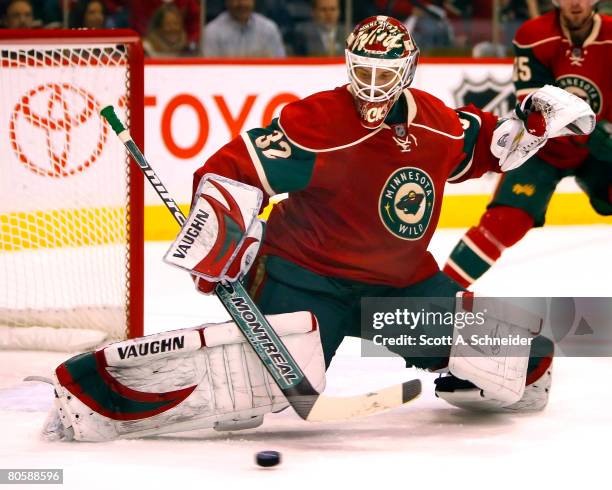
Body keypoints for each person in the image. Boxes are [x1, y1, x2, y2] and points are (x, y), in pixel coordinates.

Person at [43, 16, 594, 441]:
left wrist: (534, 124)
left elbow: (488, 147)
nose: (372, 87)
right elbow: (236, 168)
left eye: (385, 75)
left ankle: (456, 370)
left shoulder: (435, 122)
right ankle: (92, 395)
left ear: (409, 71)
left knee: (521, 367)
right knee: (266, 379)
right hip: (306, 281)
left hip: (398, 290)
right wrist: (219, 235)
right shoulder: (319, 121)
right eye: (363, 71)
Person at [444, 0, 612, 288]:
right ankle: (435, 298)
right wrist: (598, 136)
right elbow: (541, 111)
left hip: (594, 153)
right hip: (540, 148)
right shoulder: (533, 34)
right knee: (503, 224)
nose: (576, 2)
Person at [203, 0, 286, 58]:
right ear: (227, 1)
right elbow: (209, 72)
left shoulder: (269, 29)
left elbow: (280, 67)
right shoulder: (212, 31)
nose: (242, 3)